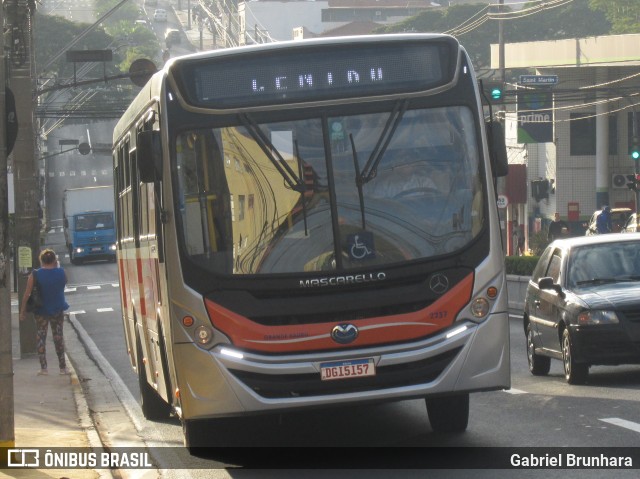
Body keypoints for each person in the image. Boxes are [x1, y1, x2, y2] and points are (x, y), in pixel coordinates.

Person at [19, 249, 70, 376]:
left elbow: (27, 294)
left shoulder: (35, 274)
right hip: (58, 308)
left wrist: (23, 310)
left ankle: (44, 368)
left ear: (41, 260)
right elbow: (64, 283)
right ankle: (62, 368)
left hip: (41, 310)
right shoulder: (61, 272)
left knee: (41, 336)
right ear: (54, 260)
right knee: (58, 337)